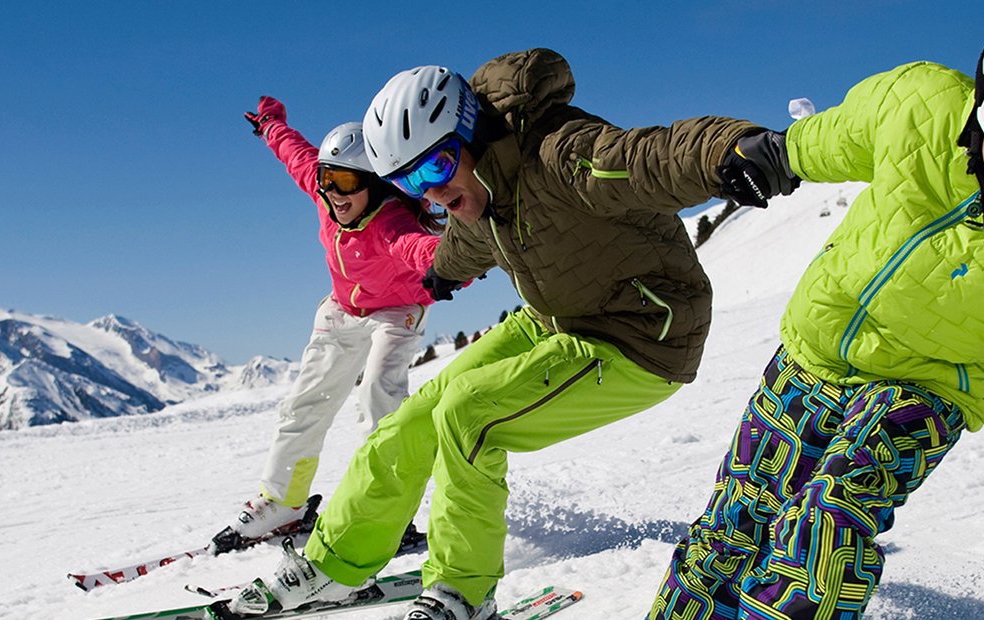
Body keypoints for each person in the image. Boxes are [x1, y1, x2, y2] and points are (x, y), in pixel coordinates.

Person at [649, 1, 984, 619]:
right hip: (810, 358)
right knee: (732, 526)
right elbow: (839, 133)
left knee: (828, 522)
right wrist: (781, 155)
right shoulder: (918, 106)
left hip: (925, 392)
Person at [227, 49, 797, 620]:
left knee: (469, 415)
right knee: (412, 418)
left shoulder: (561, 155)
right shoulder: (479, 190)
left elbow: (653, 156)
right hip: (556, 319)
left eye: (435, 167)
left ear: (469, 132)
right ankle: (334, 567)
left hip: (641, 332)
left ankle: (464, 594)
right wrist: (440, 270)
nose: (429, 192)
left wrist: (737, 150)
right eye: (406, 180)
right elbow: (473, 239)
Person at [212, 97, 449, 550]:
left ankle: (390, 513)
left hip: (395, 312)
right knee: (304, 406)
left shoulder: (391, 222)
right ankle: (284, 504)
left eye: (345, 181)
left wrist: (452, 266)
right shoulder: (326, 197)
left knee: (380, 401)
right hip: (342, 310)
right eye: (327, 179)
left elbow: (423, 250)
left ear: (376, 184)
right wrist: (270, 124)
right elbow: (295, 153)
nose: (334, 192)